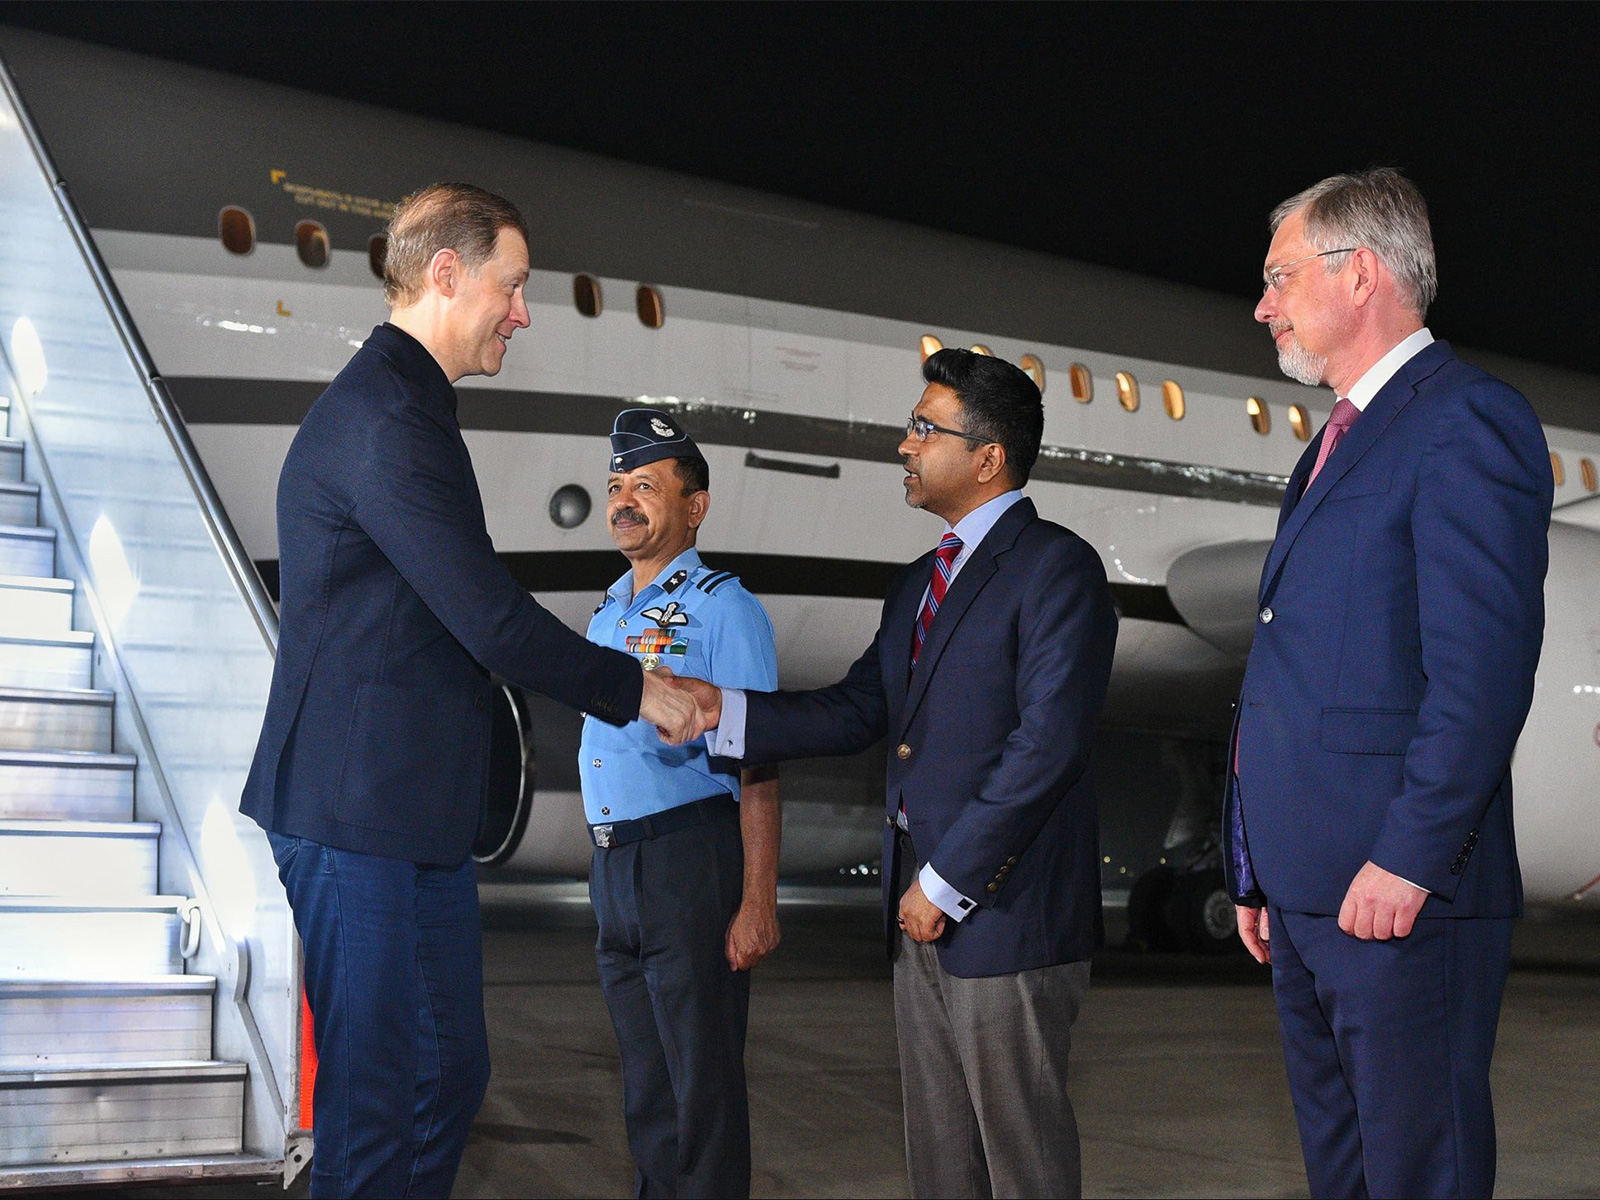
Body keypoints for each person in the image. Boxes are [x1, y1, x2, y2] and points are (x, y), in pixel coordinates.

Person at [239, 183, 696, 1199]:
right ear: (447, 275)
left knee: (445, 1074)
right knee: (373, 1102)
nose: (523, 313)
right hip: (355, 815)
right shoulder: (383, 419)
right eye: (514, 286)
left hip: (408, 818)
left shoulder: (411, 412)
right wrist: (640, 690)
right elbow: (486, 615)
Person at [669, 350, 1117, 1199]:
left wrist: (945, 881)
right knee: (942, 1163)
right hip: (923, 922)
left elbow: (1047, 745)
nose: (904, 446)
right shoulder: (919, 585)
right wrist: (720, 710)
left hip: (1006, 914)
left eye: (924, 428)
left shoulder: (1057, 568)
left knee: (1023, 1165)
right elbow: (855, 711)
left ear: (988, 457)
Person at [1229, 168, 1552, 1199]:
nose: (1262, 304)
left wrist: (1409, 862)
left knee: (1419, 1170)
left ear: (1358, 272)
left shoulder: (1466, 420)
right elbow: (1296, 669)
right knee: (1345, 1172)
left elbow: (1480, 676)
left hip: (1397, 897)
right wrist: (1256, 862)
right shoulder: (1329, 445)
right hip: (1308, 892)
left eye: (1278, 277)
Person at [580, 408, 781, 1198]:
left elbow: (760, 760)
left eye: (647, 486)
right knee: (648, 1095)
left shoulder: (725, 608)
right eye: (617, 486)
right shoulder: (605, 613)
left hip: (687, 861)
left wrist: (757, 899)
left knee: (703, 1096)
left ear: (694, 507)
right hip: (615, 867)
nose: (624, 501)